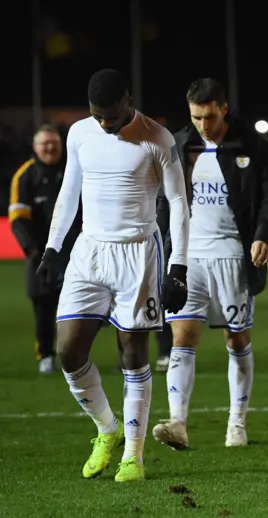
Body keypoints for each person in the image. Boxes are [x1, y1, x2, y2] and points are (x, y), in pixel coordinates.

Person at [36, 69, 190, 482]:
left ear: (129, 100)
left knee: (133, 354)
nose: (104, 123)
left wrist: (179, 266)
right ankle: (107, 428)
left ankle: (133, 458)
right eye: (97, 116)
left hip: (139, 251)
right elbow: (70, 191)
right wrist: (53, 248)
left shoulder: (159, 138)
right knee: (68, 350)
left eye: (110, 115)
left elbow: (178, 202)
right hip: (89, 250)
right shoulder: (80, 134)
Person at [152, 78, 268, 450]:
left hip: (232, 255)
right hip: (189, 256)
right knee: (182, 336)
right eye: (196, 117)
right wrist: (165, 248)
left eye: (209, 117)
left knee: (236, 338)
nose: (203, 125)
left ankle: (236, 424)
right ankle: (177, 422)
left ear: (223, 109)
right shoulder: (180, 145)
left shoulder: (252, 146)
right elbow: (166, 200)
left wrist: (264, 235)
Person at [9, 124, 81, 373]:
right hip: (40, 255)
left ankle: (74, 355)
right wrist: (32, 251)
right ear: (35, 147)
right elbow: (18, 219)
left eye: (55, 143)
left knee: (77, 307)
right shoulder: (25, 176)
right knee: (43, 307)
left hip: (75, 254)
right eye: (45, 144)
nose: (50, 148)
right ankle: (46, 357)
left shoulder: (75, 169)